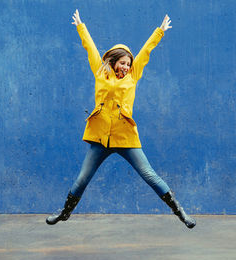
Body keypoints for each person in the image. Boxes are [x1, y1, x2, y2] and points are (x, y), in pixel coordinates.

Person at [46, 9, 196, 229]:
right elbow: (90, 47)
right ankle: (64, 213)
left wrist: (160, 31)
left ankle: (180, 212)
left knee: (150, 176)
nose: (126, 67)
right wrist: (81, 26)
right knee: (82, 180)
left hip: (125, 136)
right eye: (122, 63)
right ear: (113, 61)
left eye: (128, 64)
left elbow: (145, 52)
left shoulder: (133, 75)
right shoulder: (100, 71)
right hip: (100, 139)